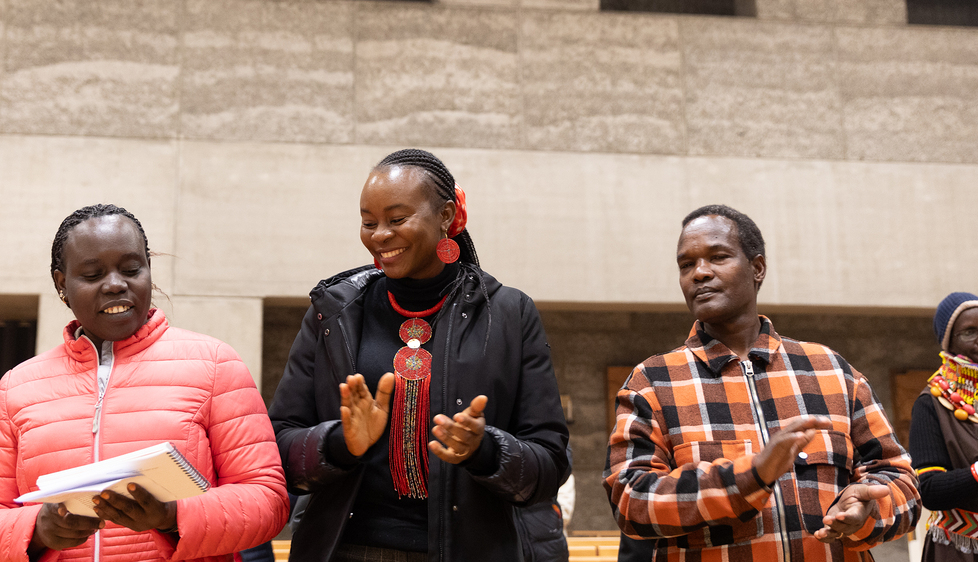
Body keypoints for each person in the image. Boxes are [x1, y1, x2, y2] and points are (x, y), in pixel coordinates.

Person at [268, 149, 570, 562]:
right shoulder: (334, 313)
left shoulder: (508, 314)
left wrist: (484, 450)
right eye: (368, 222)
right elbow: (279, 447)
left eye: (396, 220)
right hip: (344, 550)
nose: (379, 235)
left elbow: (549, 464)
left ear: (445, 215)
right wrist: (339, 442)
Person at [604, 204, 920, 562]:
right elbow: (630, 502)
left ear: (757, 268)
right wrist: (749, 477)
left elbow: (902, 481)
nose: (700, 273)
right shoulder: (652, 382)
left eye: (718, 257)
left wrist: (867, 511)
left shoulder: (831, 370)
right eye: (686, 264)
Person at [0, 204, 289, 561]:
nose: (116, 284)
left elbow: (268, 500)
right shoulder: (16, 388)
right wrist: (36, 530)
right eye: (92, 274)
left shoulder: (215, 364)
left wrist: (172, 516)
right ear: (62, 284)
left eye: (131, 269)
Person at [909, 292, 978, 561]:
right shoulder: (932, 403)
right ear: (949, 343)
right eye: (969, 332)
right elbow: (929, 490)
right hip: (962, 551)